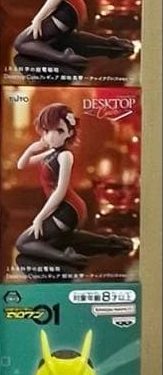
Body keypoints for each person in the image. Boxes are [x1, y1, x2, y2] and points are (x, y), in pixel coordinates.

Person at [15, 102, 132, 268]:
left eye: (59, 131)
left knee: (23, 243)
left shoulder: (65, 156)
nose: (52, 136)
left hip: (68, 209)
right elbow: (21, 165)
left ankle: (67, 257)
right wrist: (31, 149)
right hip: (63, 207)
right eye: (47, 131)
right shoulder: (51, 153)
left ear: (69, 133)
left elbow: (60, 191)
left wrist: (40, 217)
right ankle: (113, 242)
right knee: (61, 239)